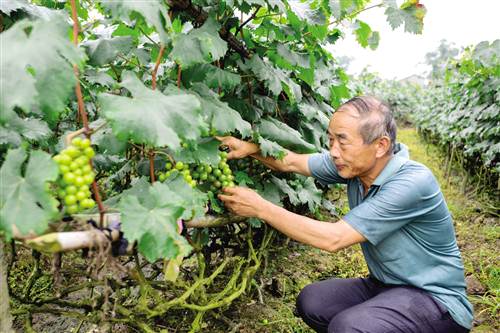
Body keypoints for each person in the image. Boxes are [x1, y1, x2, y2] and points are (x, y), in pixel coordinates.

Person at [216, 96, 473, 333]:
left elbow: (334, 239)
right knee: (313, 301)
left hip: (436, 302)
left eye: (343, 140)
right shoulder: (352, 166)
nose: (334, 151)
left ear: (380, 145)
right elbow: (291, 162)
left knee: (348, 326)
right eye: (331, 141)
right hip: (386, 286)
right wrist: (249, 148)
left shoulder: (411, 182)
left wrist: (261, 208)